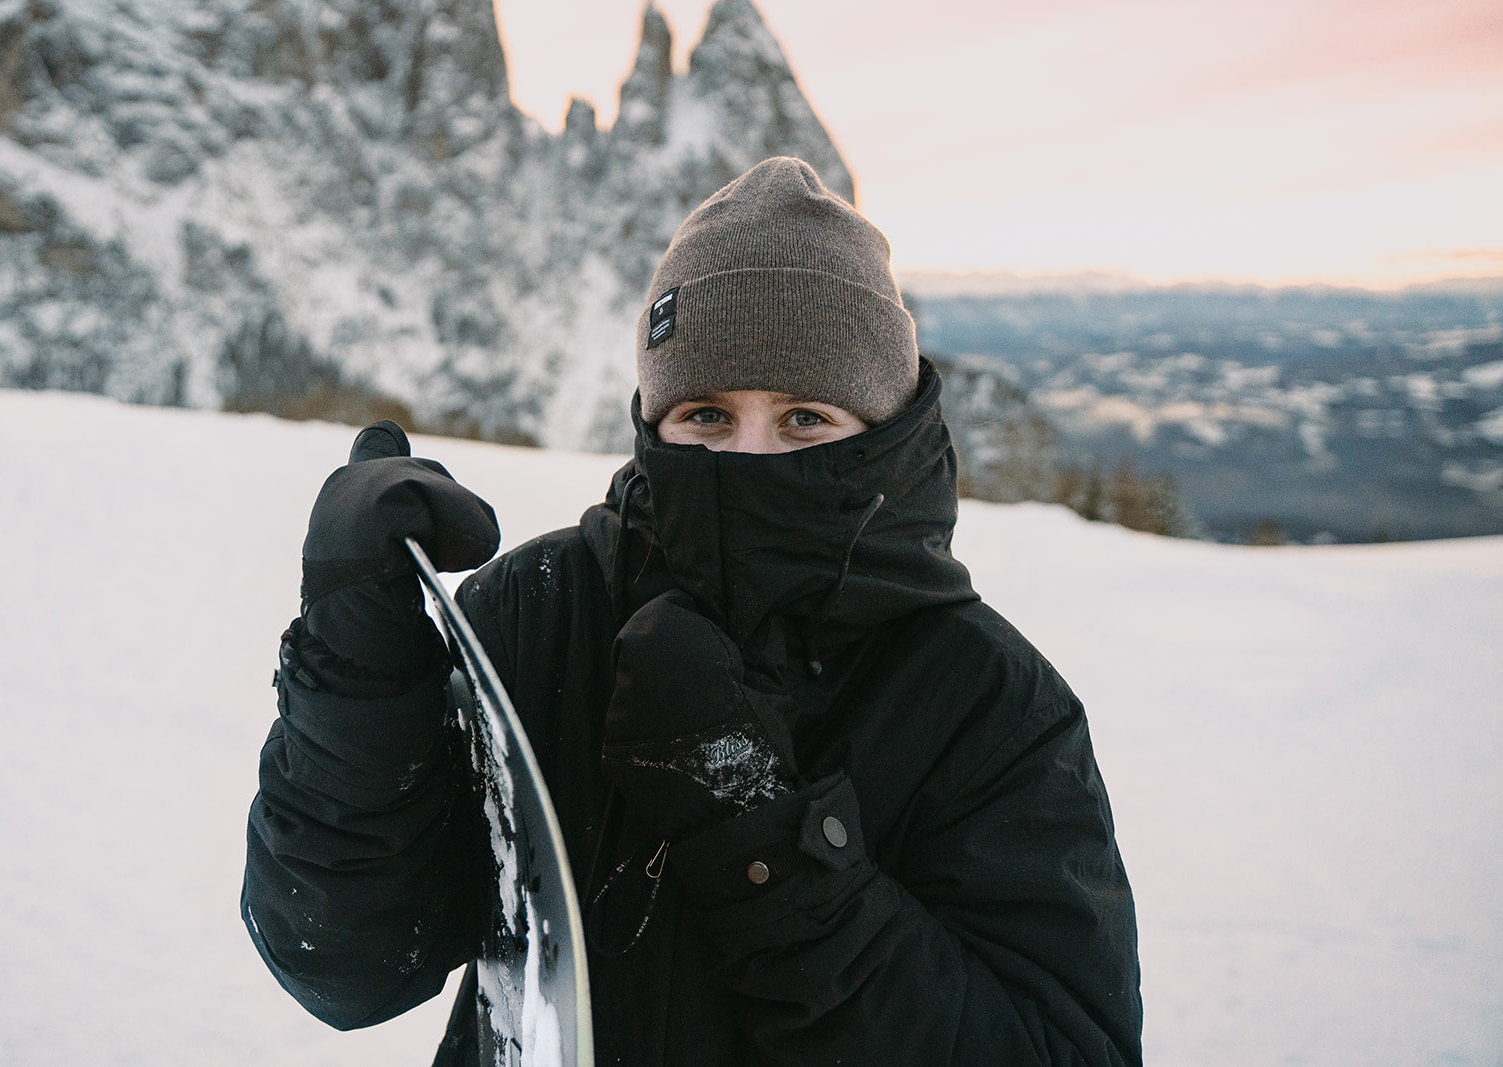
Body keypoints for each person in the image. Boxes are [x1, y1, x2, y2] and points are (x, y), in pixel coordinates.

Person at [242, 157, 1143, 1064]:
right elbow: (348, 961)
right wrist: (358, 679)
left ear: (882, 429)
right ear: (654, 419)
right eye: (706, 414)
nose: (749, 455)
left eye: (804, 419)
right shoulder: (540, 614)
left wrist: (754, 824)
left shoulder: (987, 702)